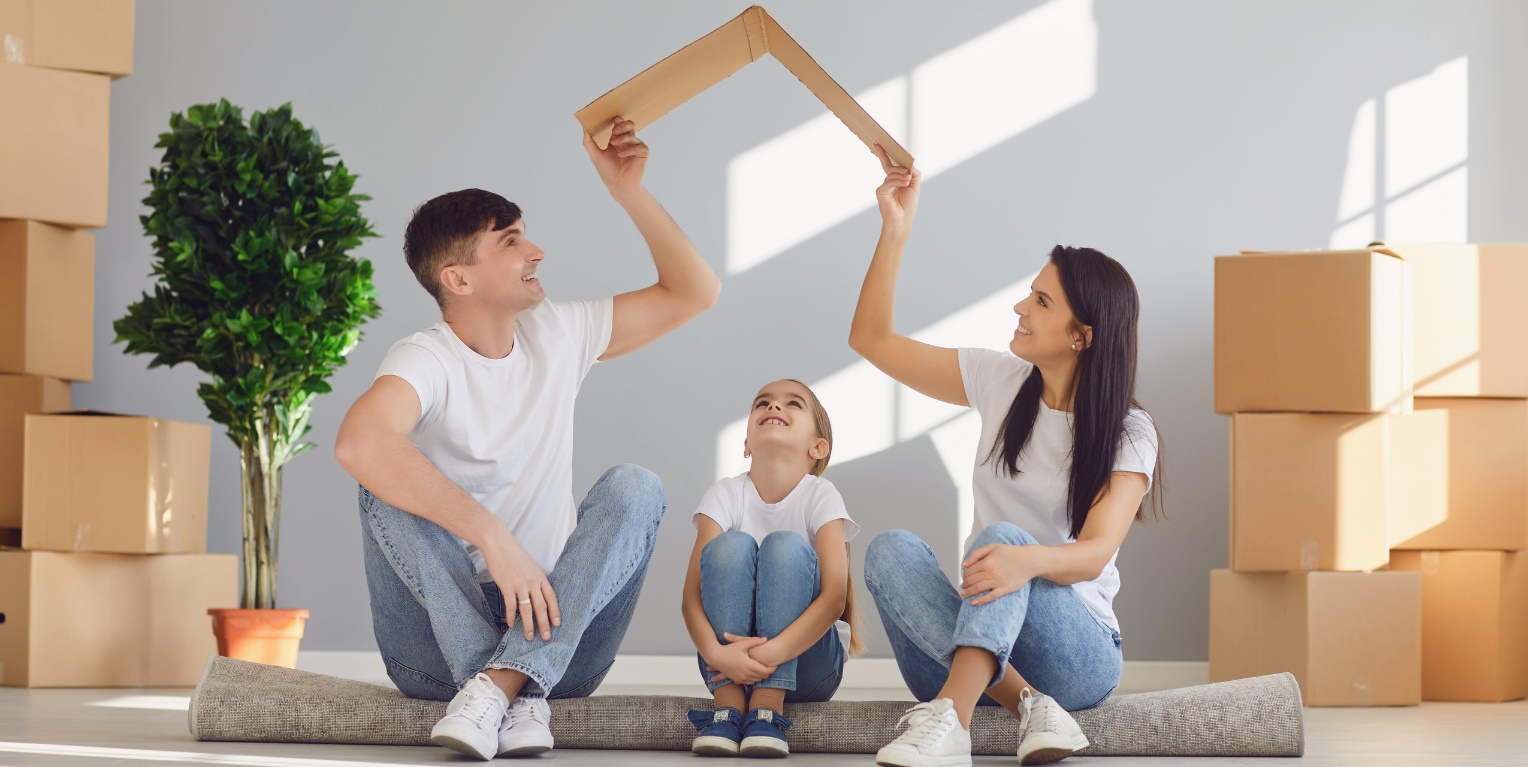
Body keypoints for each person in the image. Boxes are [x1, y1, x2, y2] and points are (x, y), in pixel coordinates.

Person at [333, 118, 721, 761]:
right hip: (432, 650)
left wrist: (629, 191)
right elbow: (359, 444)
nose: (535, 250)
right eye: (511, 242)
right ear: (459, 279)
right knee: (380, 489)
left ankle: (502, 686)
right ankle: (511, 686)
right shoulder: (425, 357)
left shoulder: (558, 332)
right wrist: (493, 536)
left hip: (557, 630)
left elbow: (694, 291)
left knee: (637, 487)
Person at [848, 146, 1163, 767]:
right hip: (979, 641)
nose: (1021, 308)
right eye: (1030, 294)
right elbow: (871, 340)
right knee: (889, 551)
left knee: (999, 538)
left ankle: (951, 721)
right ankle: (1023, 708)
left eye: (1042, 302)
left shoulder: (1130, 430)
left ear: (1082, 335)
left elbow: (1095, 552)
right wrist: (895, 227)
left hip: (1076, 652)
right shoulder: (1000, 380)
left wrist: (1021, 560)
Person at [681, 380, 866, 757]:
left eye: (792, 404)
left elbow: (834, 598)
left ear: (818, 447)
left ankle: (768, 706)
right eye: (762, 403)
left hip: (809, 666)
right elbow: (691, 599)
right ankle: (728, 709)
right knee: (729, 547)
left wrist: (773, 654)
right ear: (747, 443)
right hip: (726, 667)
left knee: (784, 545)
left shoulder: (820, 496)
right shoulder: (725, 493)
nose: (774, 407)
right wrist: (717, 656)